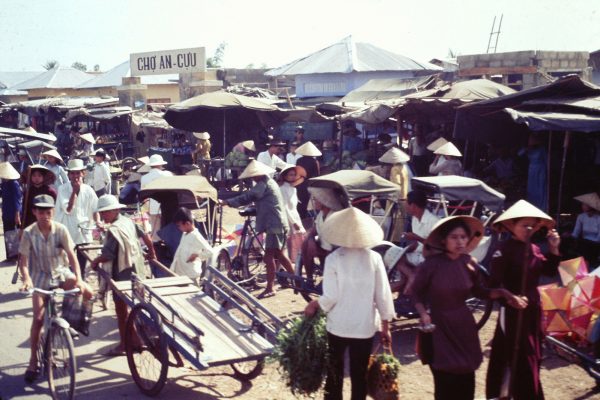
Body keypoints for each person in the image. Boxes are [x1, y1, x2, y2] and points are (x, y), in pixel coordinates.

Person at [412, 216, 527, 400]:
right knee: (444, 383)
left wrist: (505, 294)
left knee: (467, 378)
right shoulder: (431, 265)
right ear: (443, 240)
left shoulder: (469, 262)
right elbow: (414, 293)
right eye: (454, 237)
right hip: (439, 327)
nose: (459, 241)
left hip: (464, 326)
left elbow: (481, 291)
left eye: (463, 237)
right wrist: (423, 313)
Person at [304, 207, 394, 400]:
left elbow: (330, 297)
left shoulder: (334, 259)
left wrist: (314, 305)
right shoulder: (375, 258)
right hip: (364, 327)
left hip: (338, 326)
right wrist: (386, 326)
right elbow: (383, 295)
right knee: (359, 375)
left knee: (334, 374)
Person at [485, 200, 561, 400]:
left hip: (533, 310)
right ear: (511, 226)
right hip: (511, 313)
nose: (528, 229)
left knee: (533, 355)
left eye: (532, 225)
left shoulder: (535, 248)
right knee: (518, 356)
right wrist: (510, 299)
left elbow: (549, 270)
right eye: (523, 225)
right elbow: (493, 285)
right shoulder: (503, 249)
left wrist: (553, 249)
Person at [19, 194, 93, 383]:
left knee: (87, 292)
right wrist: (26, 279)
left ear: (53, 212)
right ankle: (33, 361)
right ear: (35, 212)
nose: (45, 215)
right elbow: (24, 262)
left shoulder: (61, 230)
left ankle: (73, 322)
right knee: (38, 319)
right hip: (39, 278)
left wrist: (78, 278)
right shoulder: (28, 233)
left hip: (60, 272)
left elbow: (72, 255)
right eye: (41, 212)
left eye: (48, 212)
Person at [90, 195, 156, 356]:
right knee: (132, 308)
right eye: (102, 212)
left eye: (106, 212)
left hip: (122, 274)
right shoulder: (129, 221)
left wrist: (95, 261)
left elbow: (108, 255)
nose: (104, 216)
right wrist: (152, 253)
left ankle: (124, 345)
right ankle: (135, 340)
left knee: (121, 311)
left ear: (115, 210)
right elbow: (146, 237)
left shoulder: (114, 230)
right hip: (138, 272)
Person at [220, 160, 295, 298]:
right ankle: (296, 280)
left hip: (274, 224)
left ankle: (270, 287)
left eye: (253, 175)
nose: (252, 178)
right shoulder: (269, 182)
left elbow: (248, 196)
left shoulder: (263, 184)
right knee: (279, 255)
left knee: (269, 257)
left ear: (258, 174)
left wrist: (227, 202)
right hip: (277, 222)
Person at [55, 159, 100, 278]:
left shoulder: (89, 190)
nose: (75, 176)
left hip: (84, 229)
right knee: (68, 262)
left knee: (82, 261)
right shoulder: (63, 189)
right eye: (72, 173)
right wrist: (74, 191)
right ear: (69, 175)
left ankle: (81, 283)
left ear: (83, 173)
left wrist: (98, 222)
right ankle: (71, 284)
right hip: (68, 229)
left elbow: (95, 209)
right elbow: (68, 209)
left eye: (78, 173)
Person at [388, 190, 440, 294]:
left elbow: (436, 247)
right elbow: (417, 245)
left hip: (431, 258)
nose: (405, 206)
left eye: (407, 203)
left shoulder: (434, 221)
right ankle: (410, 277)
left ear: (414, 206)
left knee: (400, 262)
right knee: (394, 256)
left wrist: (417, 238)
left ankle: (408, 284)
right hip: (419, 254)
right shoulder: (415, 219)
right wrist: (405, 250)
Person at [301, 187, 344, 283]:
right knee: (305, 244)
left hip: (336, 250)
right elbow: (313, 231)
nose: (314, 201)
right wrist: (311, 239)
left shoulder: (335, 215)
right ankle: (309, 278)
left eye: (316, 199)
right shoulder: (321, 214)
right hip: (324, 247)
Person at [170, 207, 214, 281]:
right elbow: (179, 252)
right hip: (181, 274)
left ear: (187, 224)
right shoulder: (184, 234)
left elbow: (210, 252)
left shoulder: (196, 236)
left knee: (193, 292)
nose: (178, 228)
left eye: (179, 226)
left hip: (191, 275)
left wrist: (197, 255)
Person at [378, 147, 411, 242]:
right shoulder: (404, 167)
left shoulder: (395, 168)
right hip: (403, 196)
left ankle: (394, 238)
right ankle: (400, 237)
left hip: (396, 196)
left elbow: (396, 184)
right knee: (401, 218)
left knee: (395, 218)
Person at [278, 164, 307, 262]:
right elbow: (284, 207)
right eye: (290, 175)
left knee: (299, 242)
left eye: (294, 175)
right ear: (285, 176)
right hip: (287, 219)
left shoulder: (294, 189)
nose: (293, 177)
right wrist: (293, 222)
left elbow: (293, 207)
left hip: (295, 216)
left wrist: (296, 221)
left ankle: (296, 264)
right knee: (288, 243)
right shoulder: (282, 189)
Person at [140, 154, 173, 241]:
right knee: (168, 229)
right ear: (160, 164)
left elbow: (143, 194)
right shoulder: (168, 175)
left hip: (153, 207)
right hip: (167, 206)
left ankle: (158, 249)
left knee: (155, 232)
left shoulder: (144, 178)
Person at [568, 193, 600, 266]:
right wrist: (571, 238)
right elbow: (576, 231)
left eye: (584, 204)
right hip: (584, 243)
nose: (582, 206)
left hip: (596, 244)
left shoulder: (598, 218)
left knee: (588, 250)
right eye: (582, 204)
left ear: (590, 206)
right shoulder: (581, 217)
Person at [295, 141, 322, 220]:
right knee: (306, 202)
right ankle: (304, 218)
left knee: (299, 201)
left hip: (299, 183)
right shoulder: (314, 162)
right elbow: (317, 175)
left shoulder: (299, 160)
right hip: (308, 184)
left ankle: (299, 217)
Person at [0, 162, 23, 256]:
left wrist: (17, 214)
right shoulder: (4, 184)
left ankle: (17, 254)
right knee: (8, 233)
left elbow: (17, 199)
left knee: (14, 233)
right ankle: (10, 254)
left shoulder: (14, 184)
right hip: (6, 212)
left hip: (14, 213)